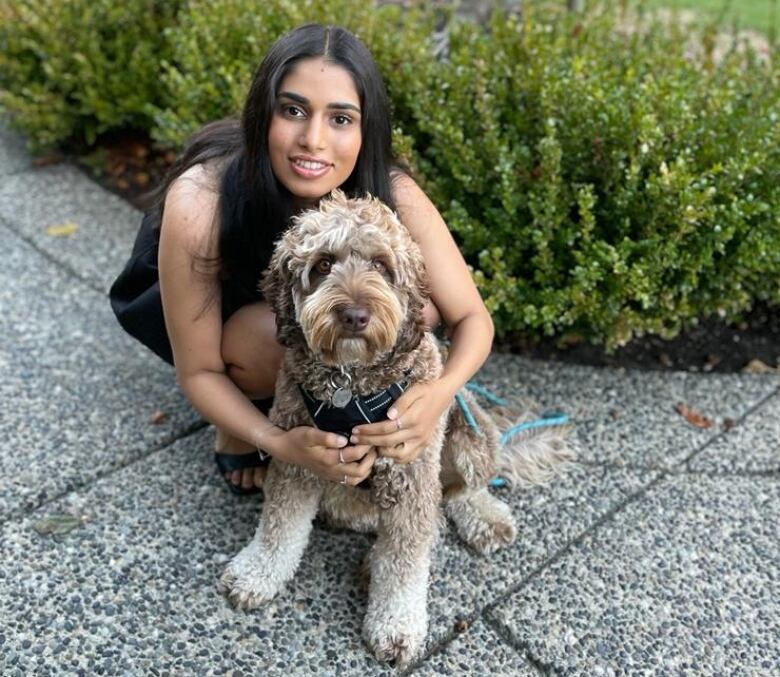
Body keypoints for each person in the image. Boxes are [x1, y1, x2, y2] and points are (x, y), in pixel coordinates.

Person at [110, 23, 494, 495]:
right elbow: (198, 371)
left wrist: (437, 396)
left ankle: (346, 407)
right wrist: (276, 442)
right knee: (264, 339)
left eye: (340, 118)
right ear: (262, 115)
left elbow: (472, 317)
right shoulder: (201, 198)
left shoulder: (394, 193)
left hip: (326, 331)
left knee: (423, 309)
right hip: (234, 325)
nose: (313, 139)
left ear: (364, 128)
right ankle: (239, 418)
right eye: (293, 110)